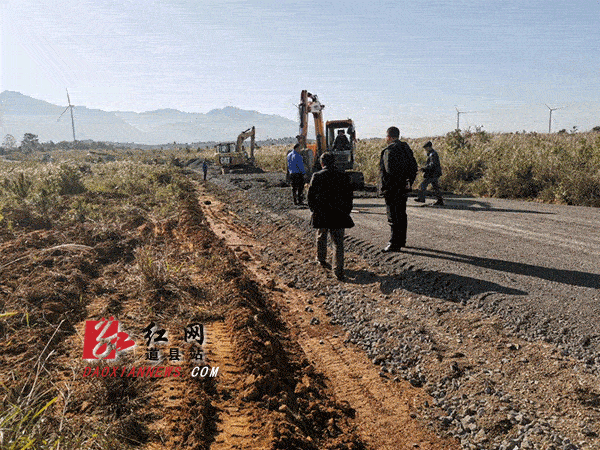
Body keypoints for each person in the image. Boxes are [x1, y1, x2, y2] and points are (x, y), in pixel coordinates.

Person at [307, 152, 354, 281]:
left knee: (321, 236)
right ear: (335, 162)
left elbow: (310, 196)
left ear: (322, 163)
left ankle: (321, 259)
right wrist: (347, 211)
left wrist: (314, 210)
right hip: (339, 214)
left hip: (322, 213)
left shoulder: (317, 176)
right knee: (338, 242)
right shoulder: (343, 176)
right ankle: (338, 270)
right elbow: (349, 196)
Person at [379, 126, 418, 252]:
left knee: (393, 216)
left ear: (389, 137)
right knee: (402, 214)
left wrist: (389, 186)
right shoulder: (406, 149)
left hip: (392, 189)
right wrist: (408, 182)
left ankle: (394, 243)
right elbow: (414, 167)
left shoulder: (389, 151)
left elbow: (389, 171)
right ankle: (402, 240)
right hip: (403, 188)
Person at [415, 141, 444, 205]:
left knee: (423, 185)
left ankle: (421, 198)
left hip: (432, 174)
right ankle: (440, 200)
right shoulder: (433, 153)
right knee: (435, 187)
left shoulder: (433, 154)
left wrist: (424, 168)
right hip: (435, 173)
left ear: (429, 147)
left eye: (425, 148)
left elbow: (432, 165)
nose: (425, 150)